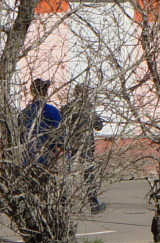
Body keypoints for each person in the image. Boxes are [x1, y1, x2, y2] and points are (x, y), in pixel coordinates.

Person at [61, 83, 107, 213]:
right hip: (85, 146)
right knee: (88, 175)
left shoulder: (67, 108)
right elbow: (98, 126)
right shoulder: (88, 108)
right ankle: (93, 204)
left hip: (71, 146)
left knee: (68, 174)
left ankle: (64, 202)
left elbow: (61, 125)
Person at [19, 78, 62, 166]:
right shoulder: (52, 111)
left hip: (27, 158)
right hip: (47, 157)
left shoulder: (24, 113)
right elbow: (60, 135)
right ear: (46, 93)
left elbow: (20, 137)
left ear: (32, 92)